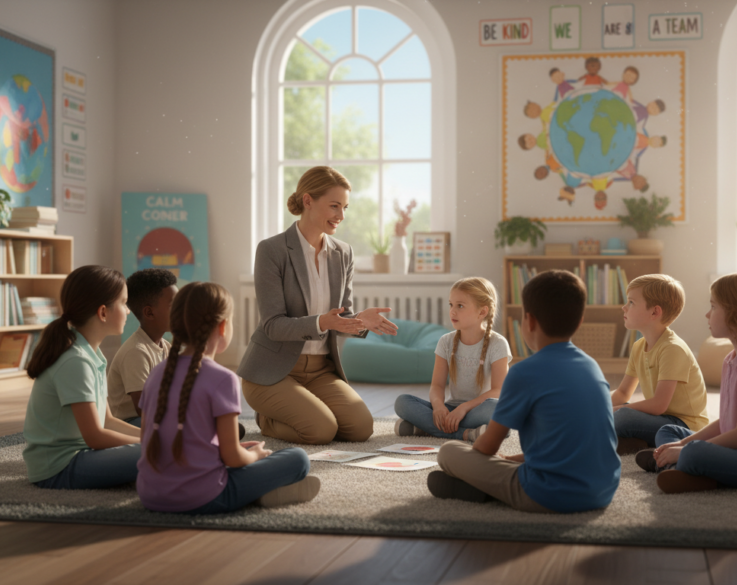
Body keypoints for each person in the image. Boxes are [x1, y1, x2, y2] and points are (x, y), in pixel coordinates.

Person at [428, 270, 620, 513]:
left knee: (449, 453)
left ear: (528, 321)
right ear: (580, 321)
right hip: (603, 490)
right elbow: (569, 446)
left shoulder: (524, 372)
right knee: (504, 463)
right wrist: (510, 461)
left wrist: (474, 467)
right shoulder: (593, 367)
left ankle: (480, 489)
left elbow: (487, 447)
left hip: (547, 494)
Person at [239, 166, 398, 445]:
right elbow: (273, 325)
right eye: (334, 206)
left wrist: (361, 319)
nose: (341, 216)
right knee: (322, 430)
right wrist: (321, 322)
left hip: (321, 371)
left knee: (361, 428)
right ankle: (268, 418)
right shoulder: (272, 250)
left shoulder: (342, 253)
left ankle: (302, 411)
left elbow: (341, 316)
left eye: (344, 207)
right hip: (273, 371)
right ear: (308, 200)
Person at [138, 282, 319, 513]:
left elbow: (146, 440)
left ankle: (259, 491)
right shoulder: (223, 379)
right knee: (298, 458)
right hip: (205, 498)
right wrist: (253, 455)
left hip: (150, 496)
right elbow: (233, 458)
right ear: (223, 327)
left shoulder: (156, 373)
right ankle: (262, 493)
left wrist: (218, 450)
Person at [639, 273, 737, 494]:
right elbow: (725, 424)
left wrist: (687, 450)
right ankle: (680, 468)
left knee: (696, 452)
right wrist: (681, 445)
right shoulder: (732, 359)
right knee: (668, 431)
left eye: (714, 307)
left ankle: (681, 467)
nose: (707, 314)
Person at [23, 265, 142, 489]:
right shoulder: (75, 361)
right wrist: (154, 445)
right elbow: (95, 437)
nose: (128, 311)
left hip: (83, 454)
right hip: (60, 467)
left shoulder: (91, 354)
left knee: (160, 443)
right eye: (124, 303)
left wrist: (152, 437)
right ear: (103, 312)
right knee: (162, 455)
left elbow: (107, 421)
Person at [393, 277, 510, 442]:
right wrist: (439, 407)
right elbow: (437, 385)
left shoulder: (498, 344)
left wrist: (463, 409)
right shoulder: (445, 342)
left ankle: (424, 428)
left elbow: (498, 391)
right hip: (450, 409)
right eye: (451, 305)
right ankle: (467, 433)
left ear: (482, 312)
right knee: (402, 402)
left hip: (477, 409)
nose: (452, 311)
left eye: (460, 306)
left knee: (496, 408)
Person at [611, 274, 709, 454]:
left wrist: (616, 410)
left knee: (622, 415)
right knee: (614, 411)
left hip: (685, 426)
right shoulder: (639, 346)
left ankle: (628, 440)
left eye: (631, 302)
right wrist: (597, 405)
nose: (624, 307)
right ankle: (632, 441)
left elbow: (658, 405)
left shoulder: (672, 349)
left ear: (654, 312)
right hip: (661, 418)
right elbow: (623, 392)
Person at [107, 268, 178, 427]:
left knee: (223, 426)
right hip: (131, 423)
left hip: (157, 416)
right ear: (149, 313)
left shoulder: (166, 347)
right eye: (174, 305)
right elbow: (144, 409)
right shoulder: (136, 351)